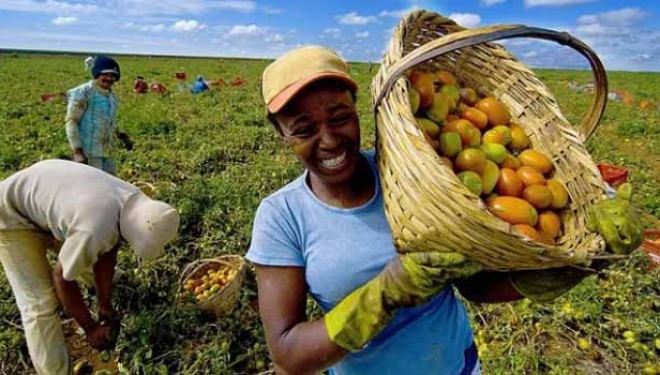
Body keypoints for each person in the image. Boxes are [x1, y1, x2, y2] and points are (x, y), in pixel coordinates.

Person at [246, 45, 644, 375]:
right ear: (282, 134)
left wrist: (579, 263)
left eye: (340, 118)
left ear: (356, 111)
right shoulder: (282, 217)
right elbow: (288, 353)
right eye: (303, 129)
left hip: (458, 365)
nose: (330, 140)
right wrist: (385, 294)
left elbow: (472, 284)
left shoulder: (413, 175)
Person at [0, 159, 180, 375]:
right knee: (41, 303)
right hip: (10, 216)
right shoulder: (94, 227)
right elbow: (62, 278)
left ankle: (104, 293)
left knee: (83, 255)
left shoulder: (131, 201)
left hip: (49, 200)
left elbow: (108, 248)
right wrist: (90, 328)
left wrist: (105, 305)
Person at [65, 55, 132, 176]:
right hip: (88, 154)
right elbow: (72, 121)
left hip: (107, 152)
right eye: (105, 74)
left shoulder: (112, 97)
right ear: (97, 74)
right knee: (92, 188)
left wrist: (121, 135)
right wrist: (77, 151)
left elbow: (110, 121)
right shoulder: (83, 92)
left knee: (111, 183)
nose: (109, 78)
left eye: (113, 76)